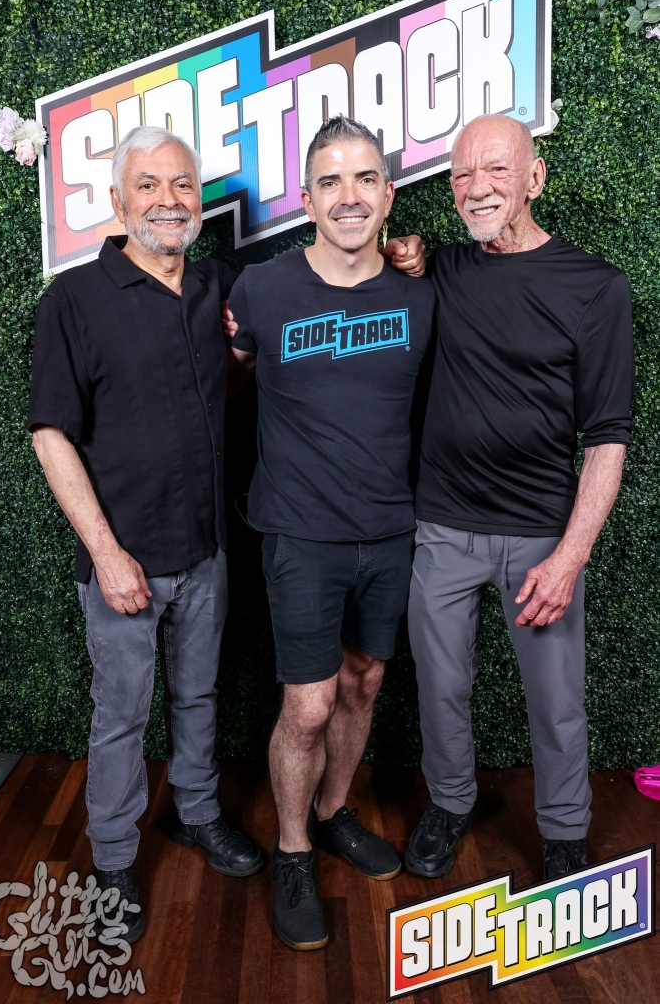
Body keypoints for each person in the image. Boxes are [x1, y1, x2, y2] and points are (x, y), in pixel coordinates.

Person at [27, 126, 266, 943]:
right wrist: (106, 554)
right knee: (122, 715)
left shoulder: (215, 285)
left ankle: (197, 813)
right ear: (117, 200)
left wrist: (244, 360)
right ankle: (114, 859)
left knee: (198, 697)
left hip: (207, 549)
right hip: (123, 560)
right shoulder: (73, 300)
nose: (169, 200)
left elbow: (224, 383)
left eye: (183, 185)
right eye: (149, 185)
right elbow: (51, 435)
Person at [405, 114, 635, 882]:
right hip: (442, 526)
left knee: (556, 700)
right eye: (462, 174)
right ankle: (449, 802)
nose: (476, 188)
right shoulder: (439, 270)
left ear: (533, 178)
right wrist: (404, 253)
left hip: (541, 533)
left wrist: (569, 557)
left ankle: (564, 832)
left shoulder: (595, 287)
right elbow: (375, 264)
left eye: (495, 170)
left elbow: (606, 438)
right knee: (440, 690)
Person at [228, 116, 434, 950]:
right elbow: (228, 372)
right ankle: (291, 851)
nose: (348, 196)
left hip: (388, 528)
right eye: (329, 181)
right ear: (307, 201)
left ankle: (333, 810)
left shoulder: (419, 291)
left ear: (387, 195)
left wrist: (414, 255)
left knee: (363, 682)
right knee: (308, 707)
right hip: (299, 531)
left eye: (364, 178)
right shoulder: (260, 291)